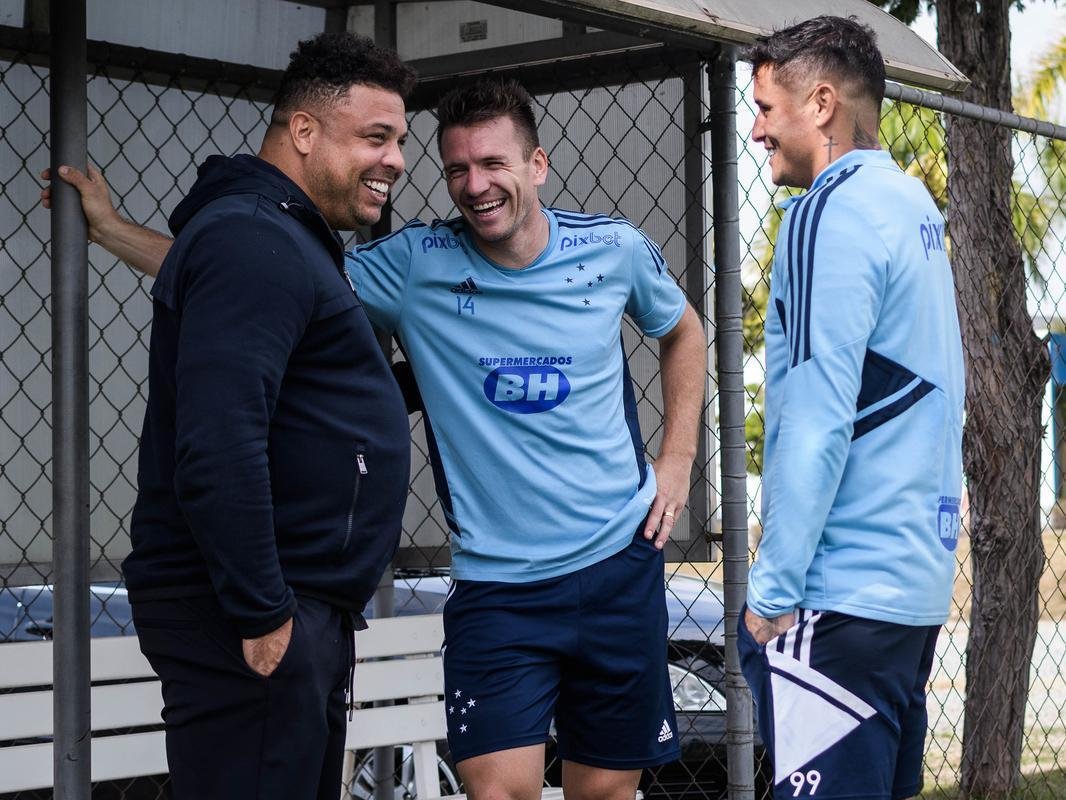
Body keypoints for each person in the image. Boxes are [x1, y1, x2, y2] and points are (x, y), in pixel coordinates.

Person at [46, 77, 706, 800]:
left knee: (606, 791)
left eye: (493, 164)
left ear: (537, 165)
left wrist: (675, 463)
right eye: (457, 169)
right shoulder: (415, 264)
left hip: (619, 563)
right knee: (497, 792)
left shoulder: (614, 249)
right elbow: (252, 270)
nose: (475, 185)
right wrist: (111, 231)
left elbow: (683, 331)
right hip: (499, 583)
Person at [43, 33, 417, 800]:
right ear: (304, 131)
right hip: (254, 617)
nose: (396, 161)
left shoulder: (275, 236)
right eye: (375, 137)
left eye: (400, 140)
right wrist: (263, 614)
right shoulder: (255, 236)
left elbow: (310, 392)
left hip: (289, 612)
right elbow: (218, 441)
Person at [738, 15, 964, 800]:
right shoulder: (914, 207)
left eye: (766, 108)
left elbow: (813, 419)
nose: (756, 129)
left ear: (823, 103)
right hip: (913, 591)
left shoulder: (823, 212)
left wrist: (769, 599)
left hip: (837, 594)